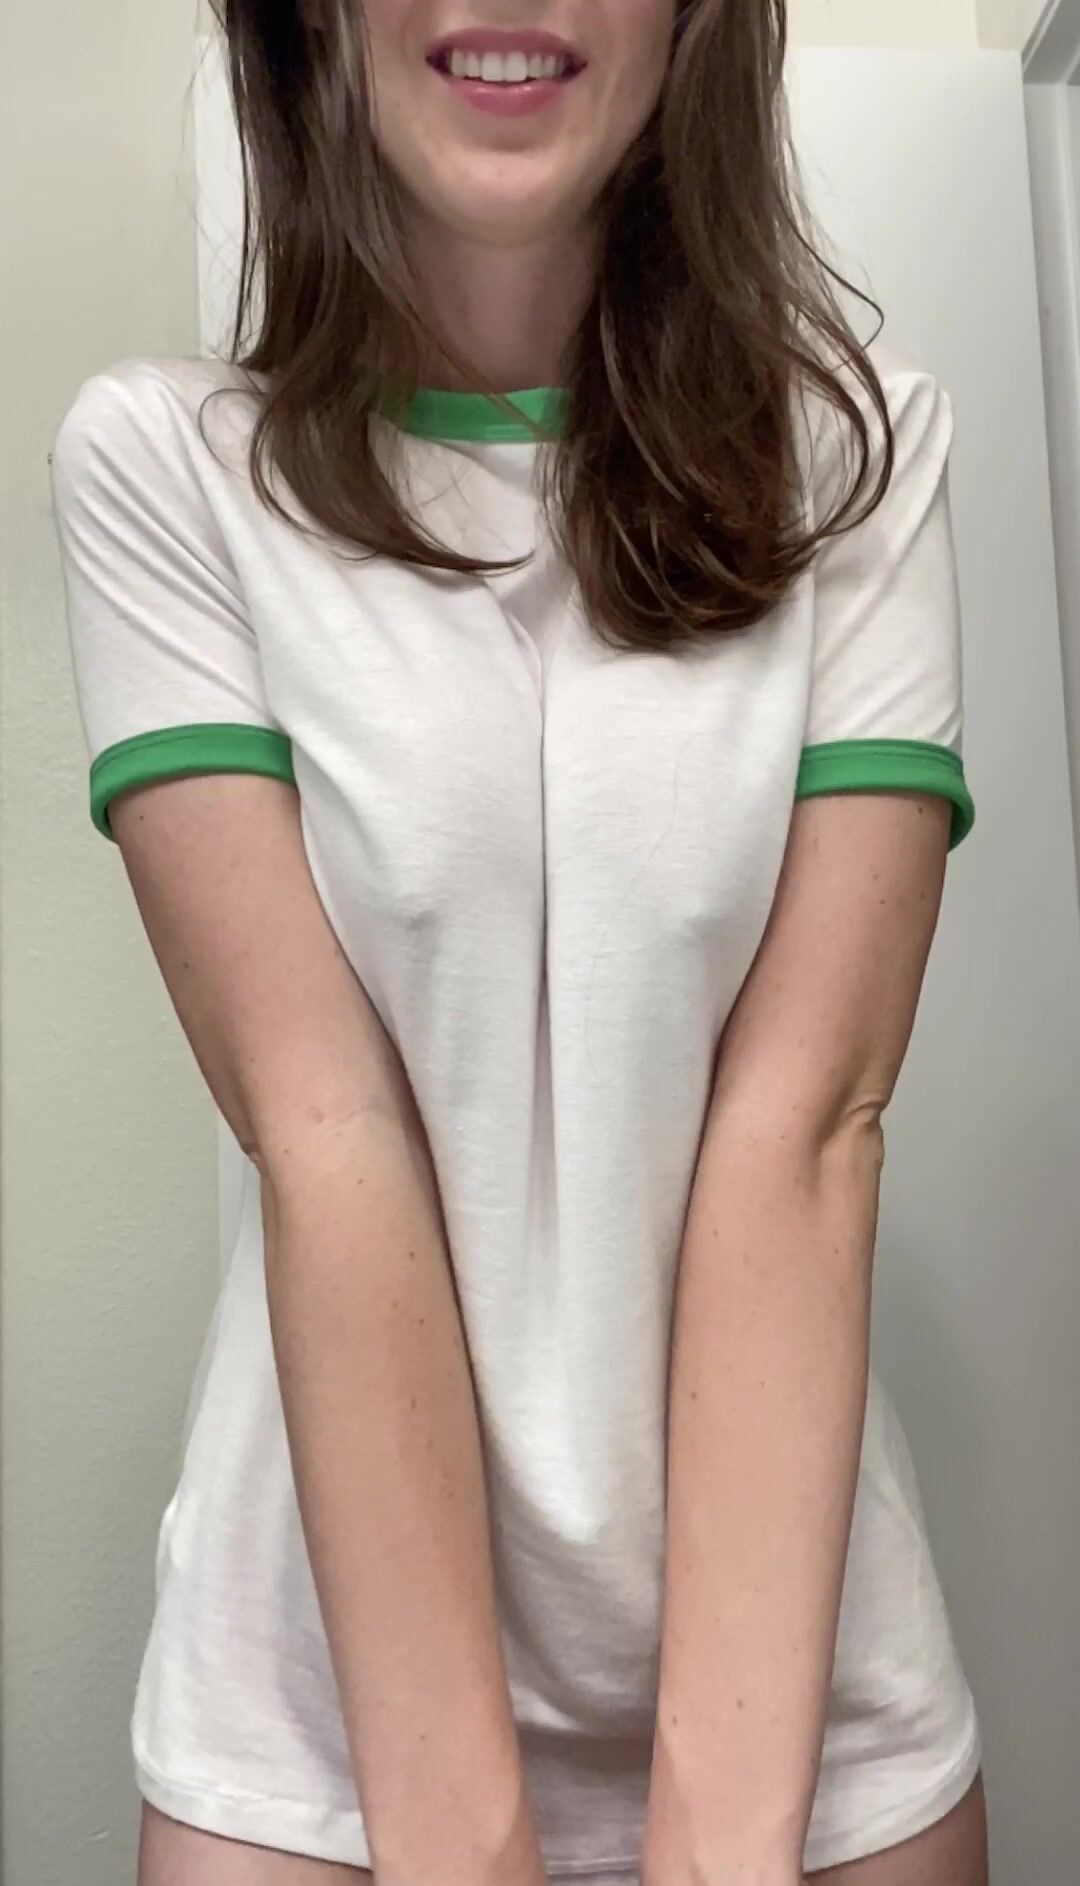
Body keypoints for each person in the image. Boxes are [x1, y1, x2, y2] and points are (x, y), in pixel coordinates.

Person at [50, 2, 991, 1883]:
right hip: (318, 1723)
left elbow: (805, 1131)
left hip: (802, 1693)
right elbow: (327, 1131)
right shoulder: (165, 465)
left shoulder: (855, 453)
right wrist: (460, 1847)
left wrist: (722, 1846)